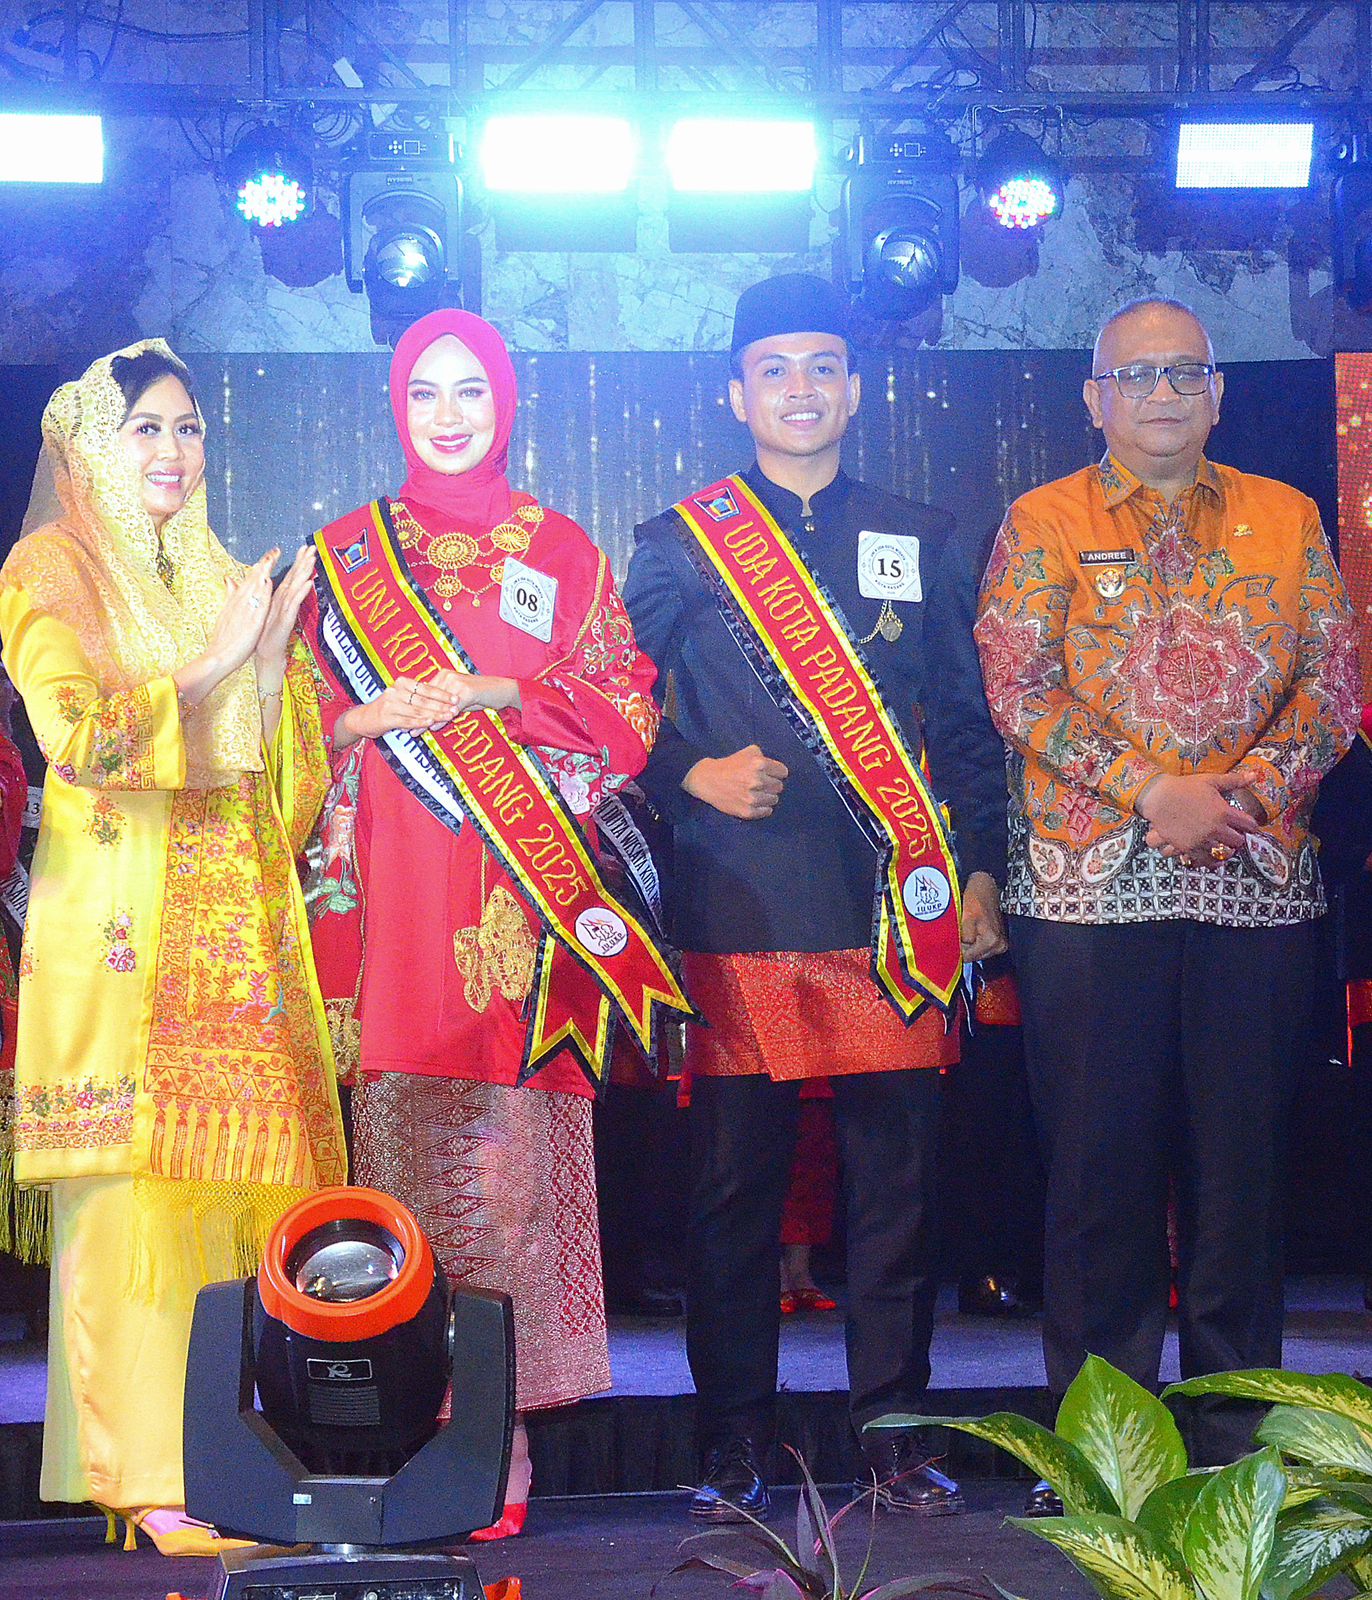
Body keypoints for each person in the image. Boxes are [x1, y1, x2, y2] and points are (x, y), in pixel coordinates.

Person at [622, 272, 1009, 1522]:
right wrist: (691, 770)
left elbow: (964, 724)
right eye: (774, 368)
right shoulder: (679, 542)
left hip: (893, 912)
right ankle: (733, 1439)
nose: (800, 388)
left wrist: (982, 868)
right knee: (734, 1192)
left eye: (823, 365)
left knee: (896, 1192)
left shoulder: (921, 533)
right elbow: (610, 705)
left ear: (855, 387)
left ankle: (892, 1435)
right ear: (737, 395)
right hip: (738, 907)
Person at [305, 308, 675, 1542]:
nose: (449, 415)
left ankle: (497, 1441)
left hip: (523, 912)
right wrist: (358, 722)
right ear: (395, 407)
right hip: (389, 909)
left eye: (471, 390)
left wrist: (497, 690)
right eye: (425, 392)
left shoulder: (558, 550)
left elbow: (627, 711)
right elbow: (278, 731)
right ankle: (406, 1432)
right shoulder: (342, 559)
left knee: (506, 1185)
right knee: (397, 1178)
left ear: (506, 402)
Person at [975, 297, 1362, 1467]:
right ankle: (1106, 1450)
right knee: (1098, 1177)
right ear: (1092, 399)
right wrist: (1150, 789)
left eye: (1184, 373)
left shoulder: (1285, 516)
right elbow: (1017, 687)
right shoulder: (1041, 520)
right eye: (1134, 376)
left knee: (1240, 1175)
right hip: (1087, 893)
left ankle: (1235, 1442)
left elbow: (1334, 683)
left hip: (1255, 882)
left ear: (1218, 392)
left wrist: (1244, 791)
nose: (1160, 394)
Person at [0, 340, 346, 1555]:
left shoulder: (211, 570)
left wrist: (270, 659)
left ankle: (222, 1459)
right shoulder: (49, 568)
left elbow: (280, 791)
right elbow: (77, 739)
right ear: (91, 441)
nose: (173, 450)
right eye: (145, 427)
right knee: (132, 1216)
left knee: (226, 1209)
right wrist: (216, 663)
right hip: (124, 942)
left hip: (233, 949)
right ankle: (143, 1474)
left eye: (189, 427)